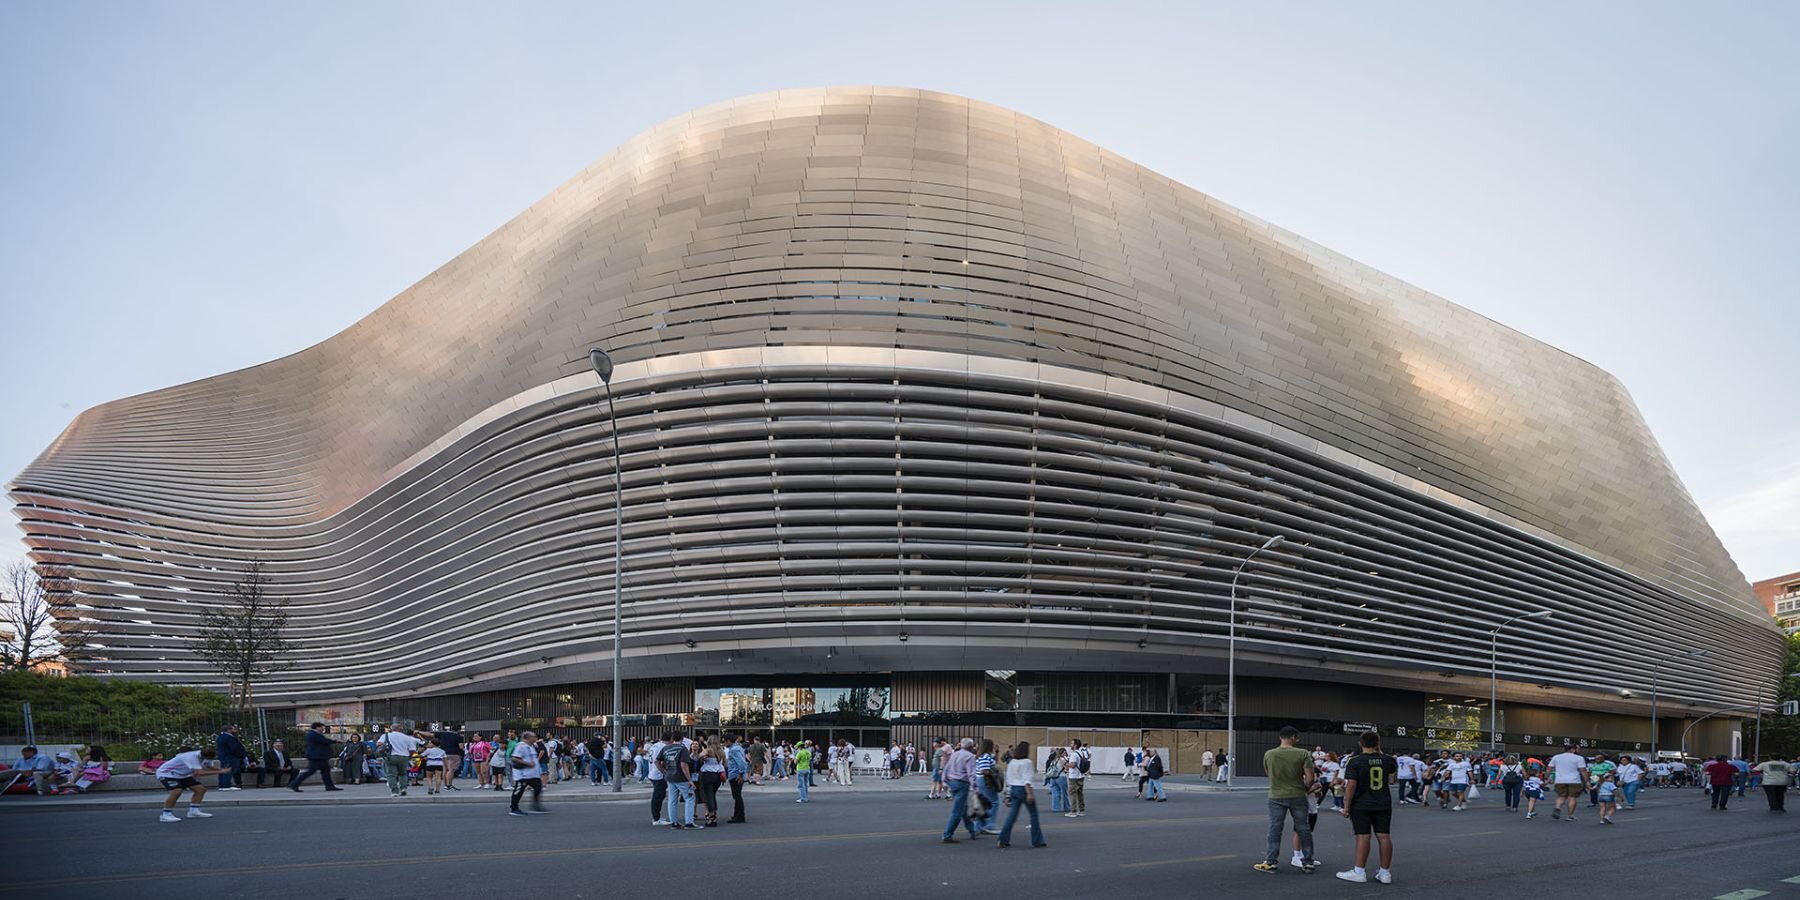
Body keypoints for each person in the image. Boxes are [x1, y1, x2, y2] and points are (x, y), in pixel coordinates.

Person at [1255, 725, 1318, 874]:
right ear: (1294, 737)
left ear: (1280, 737)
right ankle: (1308, 862)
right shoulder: (1302, 753)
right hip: (1298, 795)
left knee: (1275, 828)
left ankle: (1270, 862)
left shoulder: (1269, 754)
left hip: (1276, 795)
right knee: (1303, 828)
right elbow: (1310, 777)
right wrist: (1306, 788)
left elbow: (1269, 774)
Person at [1335, 731, 1395, 885]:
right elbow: (1391, 779)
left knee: (1363, 836)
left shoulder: (1355, 761)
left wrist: (1346, 806)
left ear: (1360, 743)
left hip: (1362, 803)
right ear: (1378, 743)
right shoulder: (1388, 759)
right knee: (1384, 836)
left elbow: (1351, 787)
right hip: (1382, 801)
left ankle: (1359, 871)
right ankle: (1385, 872)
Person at [996, 741, 1047, 848]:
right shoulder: (1027, 762)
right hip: (1023, 789)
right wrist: (1029, 794)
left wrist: (1007, 795)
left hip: (1013, 789)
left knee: (1012, 816)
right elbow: (1026, 780)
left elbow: (1009, 780)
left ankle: (1003, 839)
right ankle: (1037, 840)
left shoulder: (1012, 762)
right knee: (1033, 814)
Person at [154, 746, 221, 823]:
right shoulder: (191, 757)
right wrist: (221, 772)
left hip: (183, 774)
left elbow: (209, 766)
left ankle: (194, 811)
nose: (208, 760)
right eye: (207, 758)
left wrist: (221, 769)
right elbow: (200, 772)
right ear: (202, 755)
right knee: (176, 791)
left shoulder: (207, 757)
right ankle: (166, 814)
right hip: (167, 773)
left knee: (200, 789)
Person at [940, 738, 981, 843]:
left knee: (963, 807)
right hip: (962, 783)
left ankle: (972, 830)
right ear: (971, 747)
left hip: (952, 782)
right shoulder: (970, 757)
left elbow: (946, 767)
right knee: (957, 811)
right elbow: (971, 774)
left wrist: (944, 781)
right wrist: (976, 788)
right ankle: (947, 835)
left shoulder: (955, 754)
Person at [289, 722, 342, 792]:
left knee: (325, 771)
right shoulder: (313, 734)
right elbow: (324, 741)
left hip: (320, 756)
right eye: (322, 727)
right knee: (310, 771)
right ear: (317, 727)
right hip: (316, 756)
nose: (323, 729)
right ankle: (294, 784)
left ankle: (329, 786)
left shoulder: (315, 734)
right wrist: (336, 741)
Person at [660, 733, 697, 829]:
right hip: (681, 777)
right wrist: (689, 780)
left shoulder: (666, 748)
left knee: (672, 800)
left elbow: (658, 761)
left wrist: (664, 771)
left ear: (672, 738)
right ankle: (689, 822)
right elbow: (683, 764)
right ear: (682, 738)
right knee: (689, 799)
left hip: (670, 777)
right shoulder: (682, 749)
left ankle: (674, 822)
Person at [505, 730, 546, 816]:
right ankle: (514, 808)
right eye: (533, 737)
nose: (535, 738)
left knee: (538, 788)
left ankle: (535, 806)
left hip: (532, 774)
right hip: (523, 774)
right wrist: (528, 764)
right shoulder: (521, 746)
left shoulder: (532, 746)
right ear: (528, 738)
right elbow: (515, 758)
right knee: (519, 790)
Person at [376, 723, 421, 797]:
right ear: (401, 729)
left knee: (391, 775)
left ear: (391, 728)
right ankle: (403, 788)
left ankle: (394, 791)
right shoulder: (407, 737)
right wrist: (410, 757)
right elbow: (412, 750)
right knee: (403, 774)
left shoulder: (386, 735)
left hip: (390, 757)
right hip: (404, 757)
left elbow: (378, 744)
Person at [1548, 743, 1588, 821]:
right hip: (1574, 780)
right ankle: (1570, 815)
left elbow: (1549, 768)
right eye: (1577, 749)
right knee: (1572, 797)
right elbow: (1583, 770)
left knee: (1561, 796)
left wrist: (1547, 777)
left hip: (1560, 780)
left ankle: (1557, 808)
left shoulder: (1556, 757)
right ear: (1573, 749)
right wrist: (1587, 781)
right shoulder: (1579, 758)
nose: (1578, 750)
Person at [973, 739, 1001, 834]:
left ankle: (979, 826)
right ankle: (989, 824)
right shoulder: (985, 756)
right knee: (994, 802)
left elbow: (994, 762)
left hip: (979, 780)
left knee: (984, 804)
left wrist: (997, 752)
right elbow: (983, 770)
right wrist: (993, 772)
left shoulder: (982, 756)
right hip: (985, 781)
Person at [697, 736, 725, 827]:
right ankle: (714, 813)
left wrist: (703, 758)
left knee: (708, 795)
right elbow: (725, 764)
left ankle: (712, 816)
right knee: (713, 794)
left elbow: (700, 756)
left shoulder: (708, 750)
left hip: (707, 774)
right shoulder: (722, 752)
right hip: (717, 775)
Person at [215, 725, 248, 791]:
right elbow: (234, 748)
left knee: (224, 770)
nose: (235, 730)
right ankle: (226, 785)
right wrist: (240, 754)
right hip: (230, 757)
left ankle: (222, 785)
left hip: (224, 756)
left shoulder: (221, 737)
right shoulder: (229, 738)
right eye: (234, 729)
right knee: (228, 770)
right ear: (228, 730)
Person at [434, 726, 464, 791]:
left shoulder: (444, 734)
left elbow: (431, 735)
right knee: (451, 769)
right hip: (454, 754)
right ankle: (448, 785)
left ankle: (445, 785)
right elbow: (461, 746)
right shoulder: (458, 736)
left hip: (444, 753)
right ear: (459, 730)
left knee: (445, 769)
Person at [1064, 739, 1089, 818]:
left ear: (1075, 745)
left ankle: (1073, 810)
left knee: (1072, 793)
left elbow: (1073, 765)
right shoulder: (1081, 753)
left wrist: (1066, 764)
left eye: (1071, 743)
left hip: (1074, 776)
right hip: (1081, 775)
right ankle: (1081, 810)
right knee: (1079, 793)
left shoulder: (1074, 754)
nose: (1070, 744)